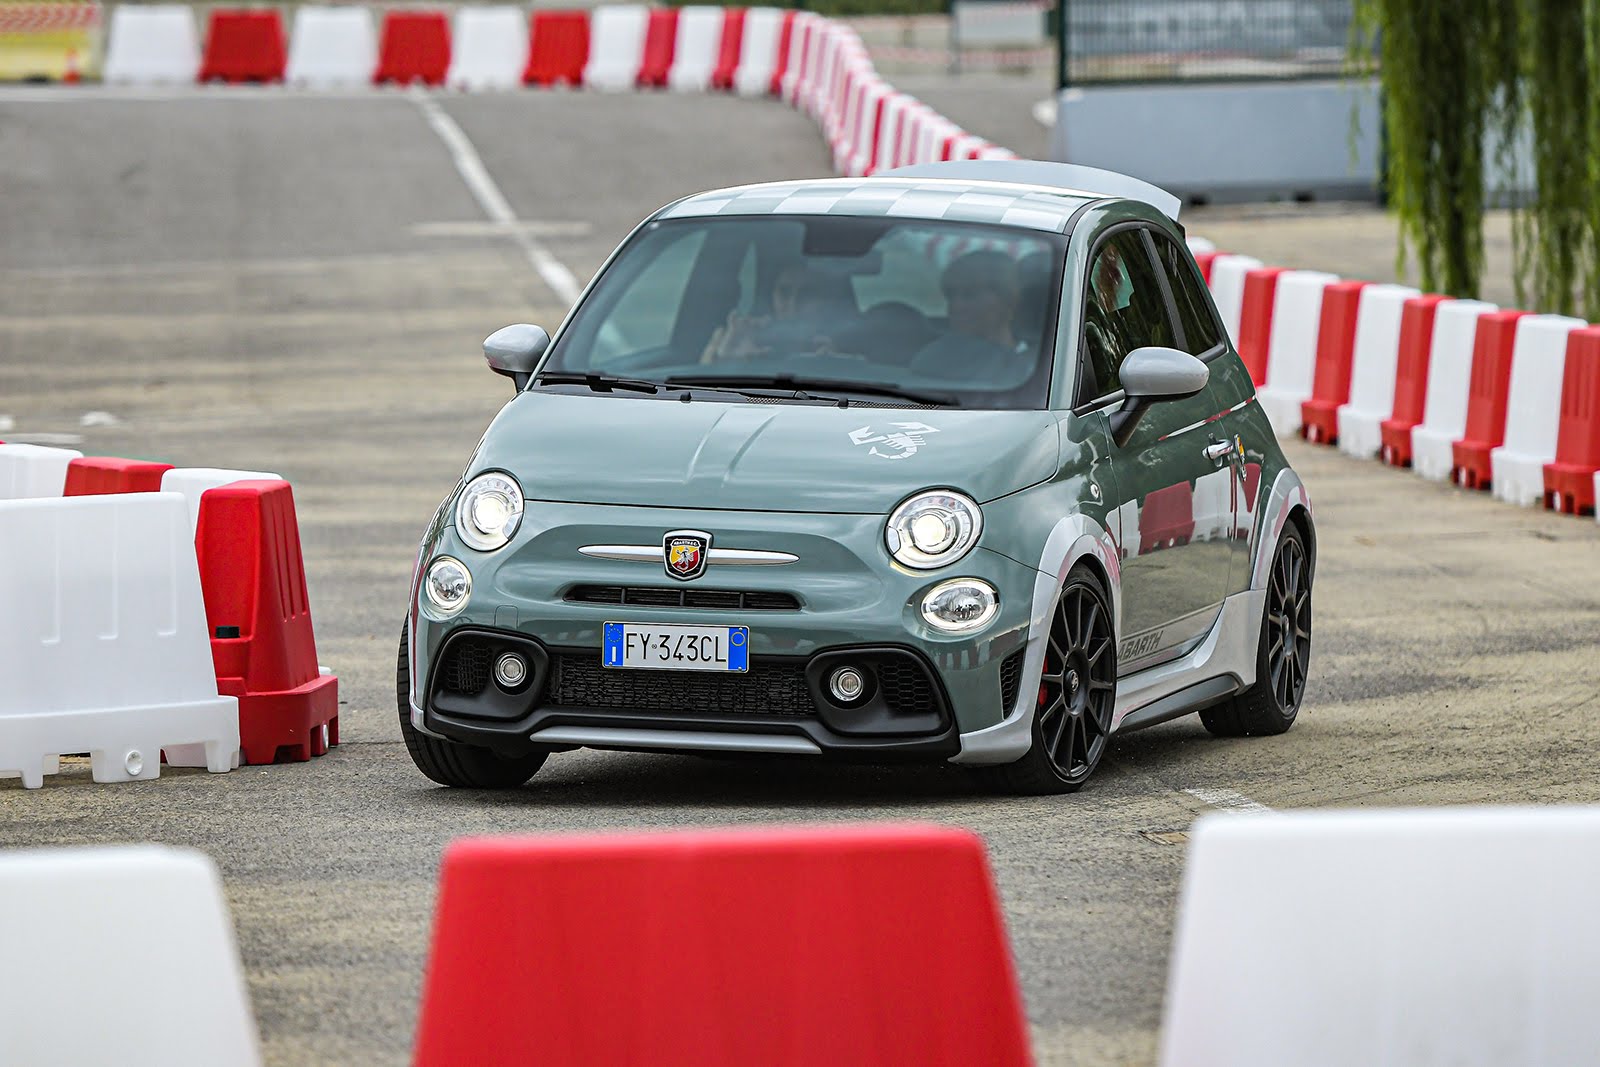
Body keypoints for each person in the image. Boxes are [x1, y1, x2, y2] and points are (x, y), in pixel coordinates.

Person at [910, 250, 1035, 383]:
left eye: (970, 294)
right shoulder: (936, 356)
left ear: (1008, 299)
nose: (955, 306)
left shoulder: (1038, 367)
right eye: (951, 295)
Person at [700, 264, 852, 363]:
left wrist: (836, 366)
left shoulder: (850, 344)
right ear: (771, 296)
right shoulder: (744, 335)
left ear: (825, 301)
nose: (793, 303)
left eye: (807, 294)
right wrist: (725, 359)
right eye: (784, 292)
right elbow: (699, 391)